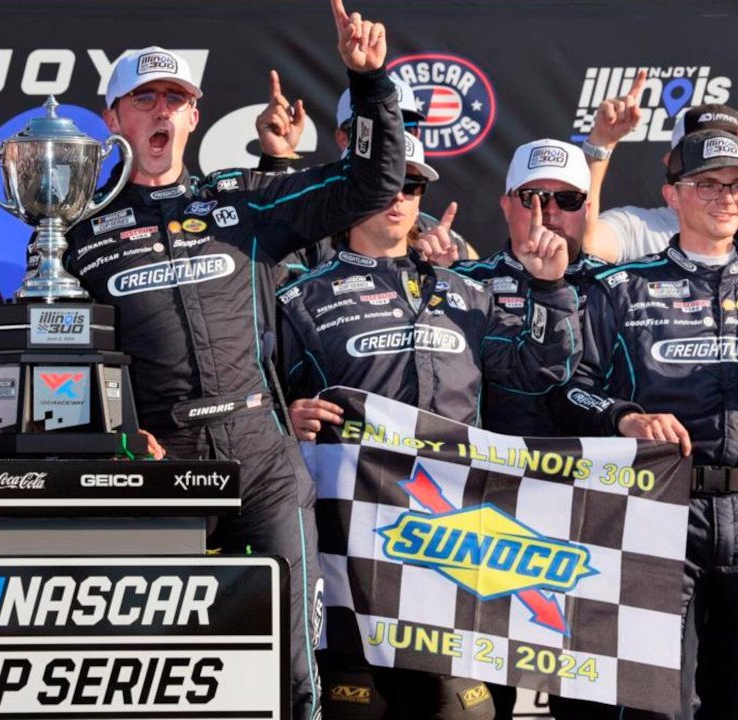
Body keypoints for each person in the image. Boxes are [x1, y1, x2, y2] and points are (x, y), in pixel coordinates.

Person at [63, 4, 404, 718]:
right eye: (145, 99)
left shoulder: (242, 203)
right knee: (159, 674)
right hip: (158, 462)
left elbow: (369, 186)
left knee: (294, 665)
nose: (162, 112)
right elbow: (60, 362)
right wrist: (116, 435)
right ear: (113, 118)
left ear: (194, 116)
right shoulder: (76, 236)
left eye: (176, 99)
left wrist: (370, 83)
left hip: (261, 454)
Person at [278, 134, 579, 720]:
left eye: (412, 185)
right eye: (387, 181)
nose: (399, 196)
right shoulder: (300, 297)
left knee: (462, 711)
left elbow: (539, 372)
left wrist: (549, 289)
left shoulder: (468, 294)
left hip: (453, 547)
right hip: (350, 554)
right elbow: (260, 401)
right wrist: (288, 416)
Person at [554, 129, 738, 720]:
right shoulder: (622, 288)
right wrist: (625, 417)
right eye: (708, 185)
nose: (726, 198)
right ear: (672, 195)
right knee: (658, 704)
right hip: (660, 514)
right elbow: (568, 389)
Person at [253, 70, 473, 279]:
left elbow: (477, 284)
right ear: (343, 138)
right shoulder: (309, 218)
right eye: (377, 127)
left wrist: (441, 278)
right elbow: (258, 265)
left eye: (404, 127)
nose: (393, 138)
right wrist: (274, 162)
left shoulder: (435, 232)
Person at [452, 139, 603, 439]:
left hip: (597, 465)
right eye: (534, 197)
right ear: (506, 206)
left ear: (587, 210)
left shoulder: (617, 286)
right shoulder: (463, 281)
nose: (550, 211)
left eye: (568, 199)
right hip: (490, 462)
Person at [579, 73, 738, 262]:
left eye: (734, 151)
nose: (726, 198)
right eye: (708, 184)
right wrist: (600, 144)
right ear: (671, 162)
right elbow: (586, 246)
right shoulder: (637, 229)